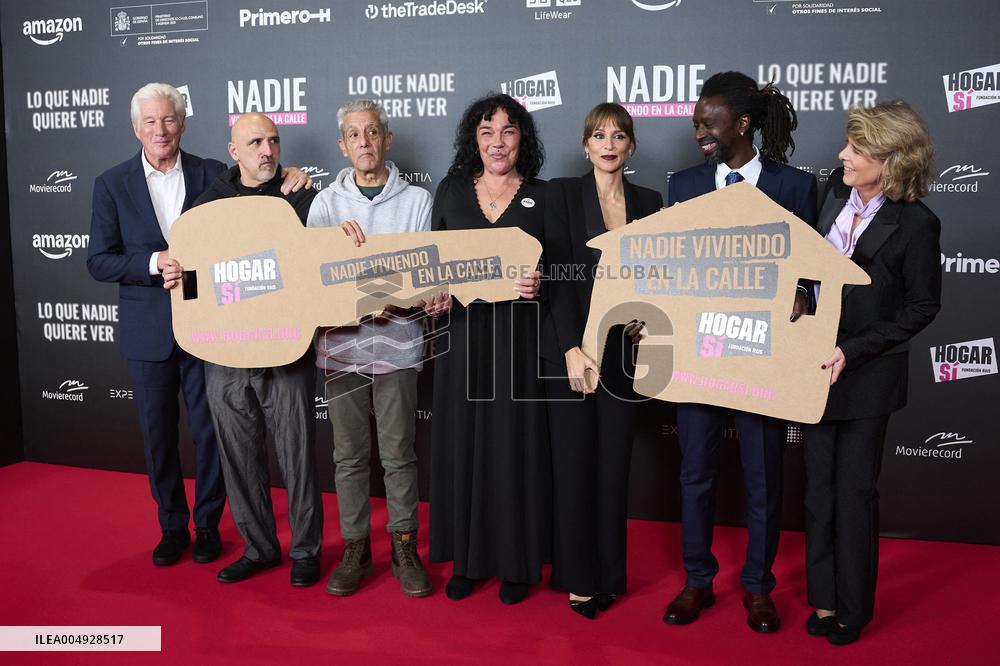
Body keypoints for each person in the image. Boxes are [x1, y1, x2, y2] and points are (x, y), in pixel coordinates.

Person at [88, 82, 308, 566]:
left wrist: (291, 174)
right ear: (136, 128)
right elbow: (99, 260)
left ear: (183, 123)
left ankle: (207, 524)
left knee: (212, 434)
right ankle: (171, 526)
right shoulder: (111, 183)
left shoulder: (212, 173)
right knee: (158, 436)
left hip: (211, 328)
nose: (161, 129)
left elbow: (261, 177)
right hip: (149, 332)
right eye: (150, 121)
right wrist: (153, 263)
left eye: (169, 119)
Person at [664, 71, 818, 633]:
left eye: (709, 122)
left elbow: (815, 273)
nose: (699, 131)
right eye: (696, 122)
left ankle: (757, 587)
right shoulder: (684, 185)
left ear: (744, 123)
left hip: (764, 356)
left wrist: (803, 293)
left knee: (763, 478)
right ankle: (697, 580)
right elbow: (671, 267)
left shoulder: (795, 186)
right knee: (696, 473)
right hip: (699, 353)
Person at [801, 101, 941, 646]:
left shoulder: (918, 223)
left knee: (853, 494)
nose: (842, 155)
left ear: (891, 159)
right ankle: (824, 598)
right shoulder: (833, 196)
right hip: (813, 369)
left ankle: (852, 610)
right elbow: (809, 275)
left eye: (857, 149)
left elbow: (921, 306)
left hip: (867, 375)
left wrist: (853, 350)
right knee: (818, 492)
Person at [306, 99, 435, 598]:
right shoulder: (324, 205)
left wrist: (388, 291)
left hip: (398, 343)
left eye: (373, 132)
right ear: (343, 145)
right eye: (354, 135)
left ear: (387, 139)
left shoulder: (417, 201)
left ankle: (404, 546)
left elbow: (424, 275)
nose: (364, 142)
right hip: (342, 347)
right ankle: (355, 547)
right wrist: (331, 250)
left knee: (399, 454)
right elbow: (313, 279)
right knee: (349, 456)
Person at [191, 113, 323, 587]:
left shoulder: (301, 196)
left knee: (297, 453)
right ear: (234, 151)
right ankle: (259, 548)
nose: (267, 150)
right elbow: (192, 275)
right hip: (225, 352)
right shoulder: (207, 204)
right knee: (238, 454)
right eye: (255, 143)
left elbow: (318, 264)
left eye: (273, 140)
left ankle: (306, 550)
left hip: (285, 346)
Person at [542, 103, 662, 619]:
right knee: (574, 468)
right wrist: (571, 347)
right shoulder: (562, 194)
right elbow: (556, 275)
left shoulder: (650, 202)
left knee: (614, 468)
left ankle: (610, 574)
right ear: (585, 144)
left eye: (618, 136)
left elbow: (655, 277)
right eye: (599, 135)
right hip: (574, 353)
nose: (608, 144)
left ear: (630, 145)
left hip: (624, 357)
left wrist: (645, 318)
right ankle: (578, 578)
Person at [429, 93, 545, 605]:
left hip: (519, 342)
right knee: (464, 444)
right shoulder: (451, 191)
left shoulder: (543, 195)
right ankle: (467, 561)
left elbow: (560, 270)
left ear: (523, 139)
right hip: (463, 338)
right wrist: (435, 294)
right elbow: (432, 267)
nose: (498, 143)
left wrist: (541, 284)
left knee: (512, 447)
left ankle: (515, 563)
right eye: (486, 132)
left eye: (508, 131)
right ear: (472, 140)